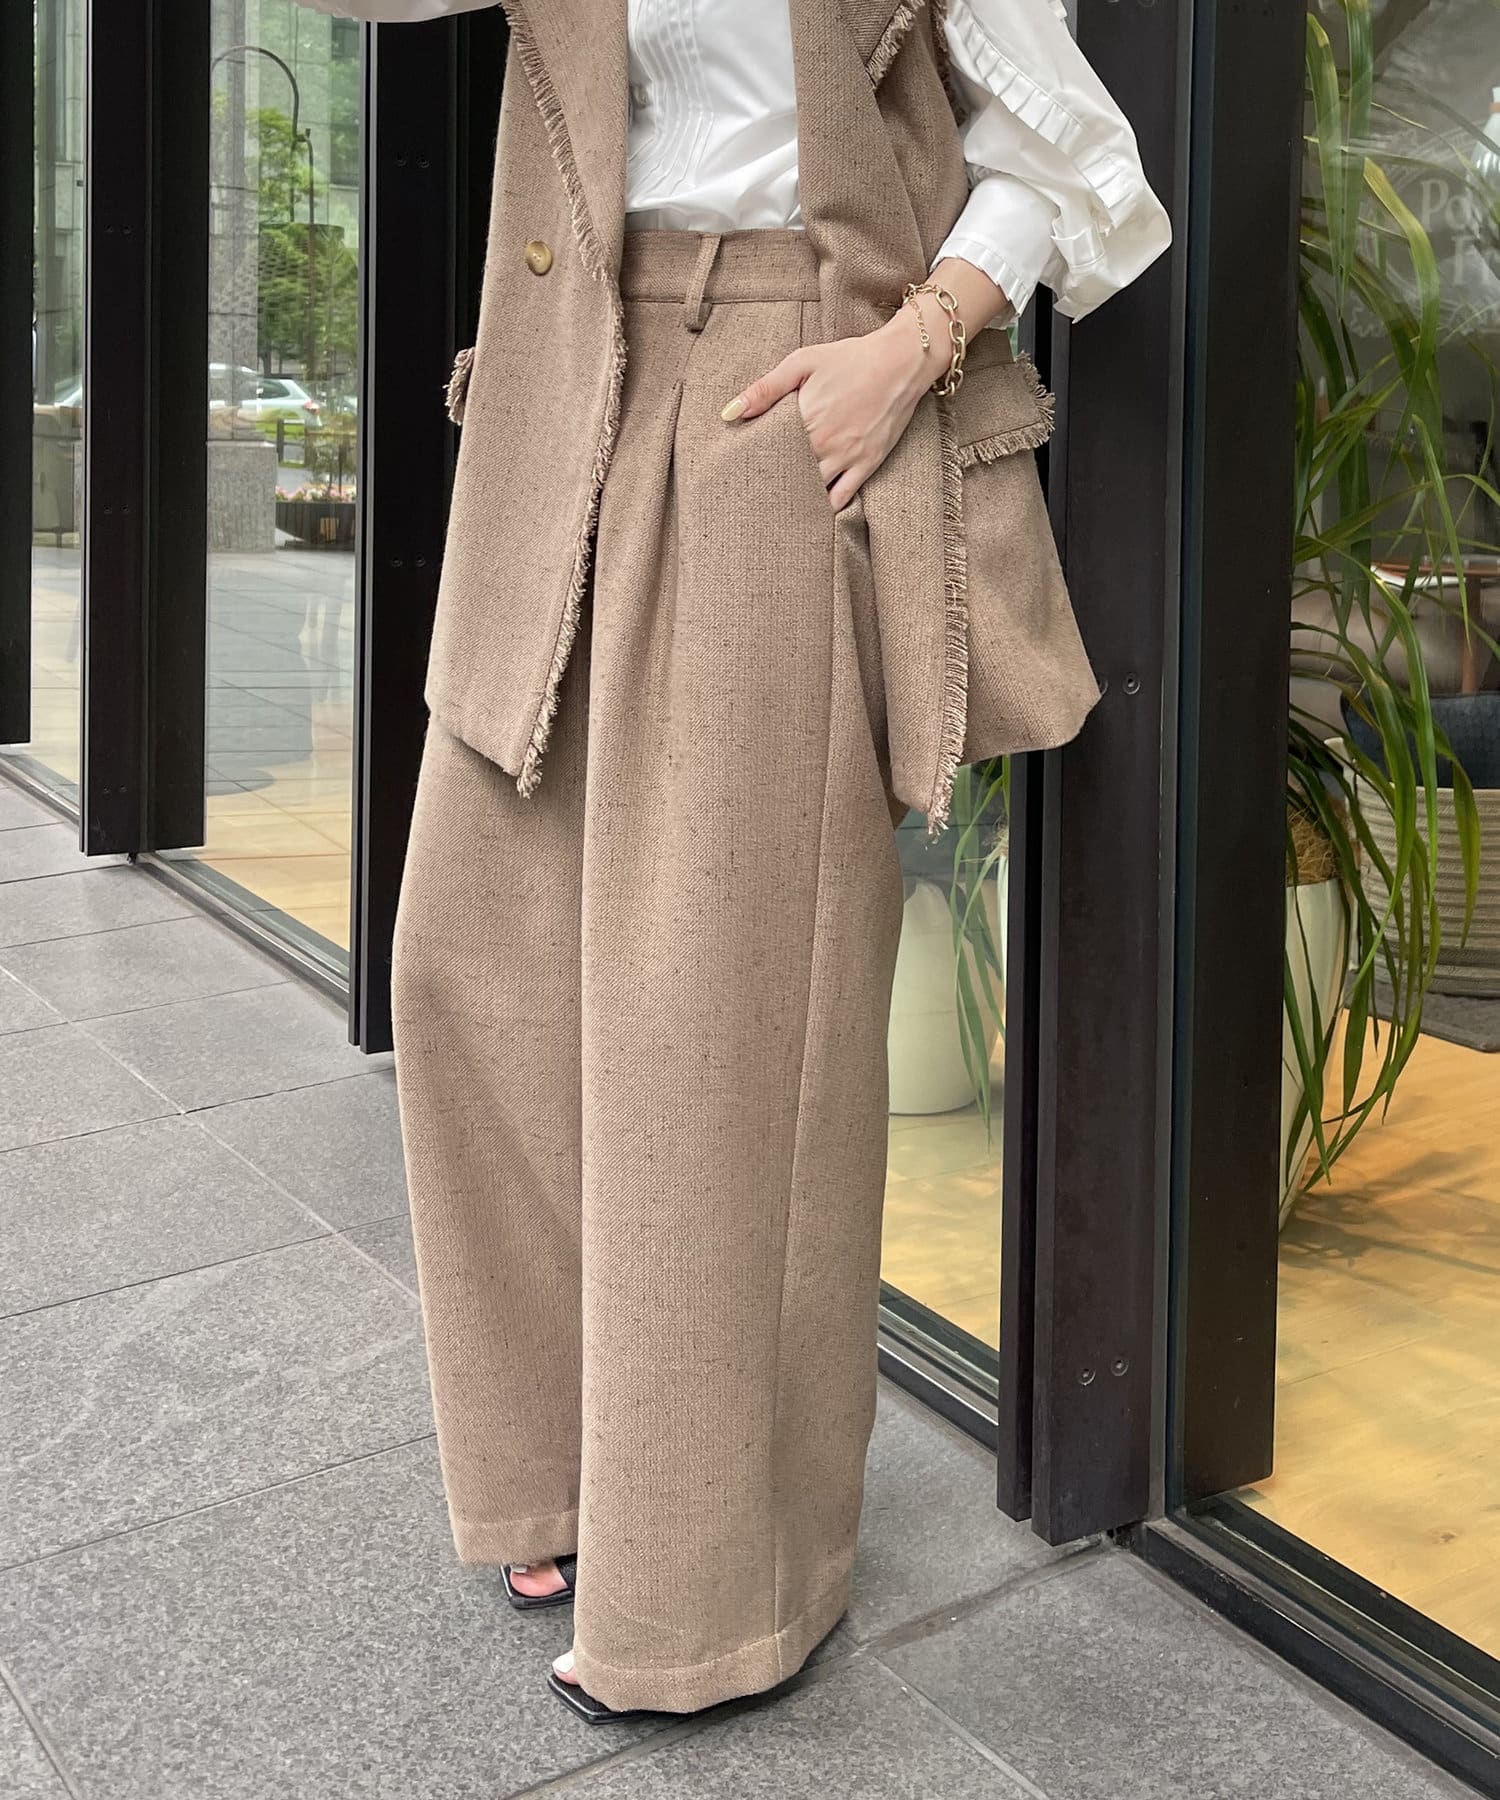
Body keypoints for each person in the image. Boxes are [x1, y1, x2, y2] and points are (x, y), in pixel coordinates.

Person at [298, 0, 1169, 1724]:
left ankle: (718, 1582)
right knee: (467, 959)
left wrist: (911, 345)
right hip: (570, 374)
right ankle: (562, 1467)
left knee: (716, 1015)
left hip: (786, 385)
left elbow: (1077, 159)